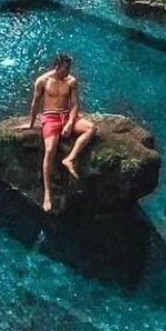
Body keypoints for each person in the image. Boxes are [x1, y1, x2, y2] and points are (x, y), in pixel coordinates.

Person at [27, 52, 97, 212]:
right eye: (66, 68)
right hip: (50, 118)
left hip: (66, 116)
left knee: (91, 129)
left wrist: (70, 123)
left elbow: (75, 104)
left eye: (69, 68)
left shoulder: (71, 81)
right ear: (57, 67)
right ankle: (47, 194)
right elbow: (35, 104)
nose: (68, 71)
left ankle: (70, 159)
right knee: (50, 150)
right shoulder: (43, 81)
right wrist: (30, 124)